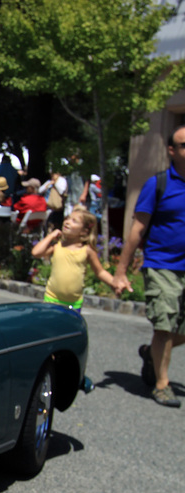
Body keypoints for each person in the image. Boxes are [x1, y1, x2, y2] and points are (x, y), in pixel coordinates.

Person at [112, 125, 185, 408]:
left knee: (177, 330)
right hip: (162, 264)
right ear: (172, 151)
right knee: (164, 326)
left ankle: (150, 354)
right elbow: (137, 229)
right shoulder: (159, 184)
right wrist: (120, 270)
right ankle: (162, 384)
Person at [31, 208, 114, 310]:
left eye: (74, 221)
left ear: (84, 231)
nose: (67, 222)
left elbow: (100, 272)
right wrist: (51, 236)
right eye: (68, 219)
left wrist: (114, 283)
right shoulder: (58, 246)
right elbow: (36, 252)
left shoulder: (87, 250)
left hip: (74, 304)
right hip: (51, 298)